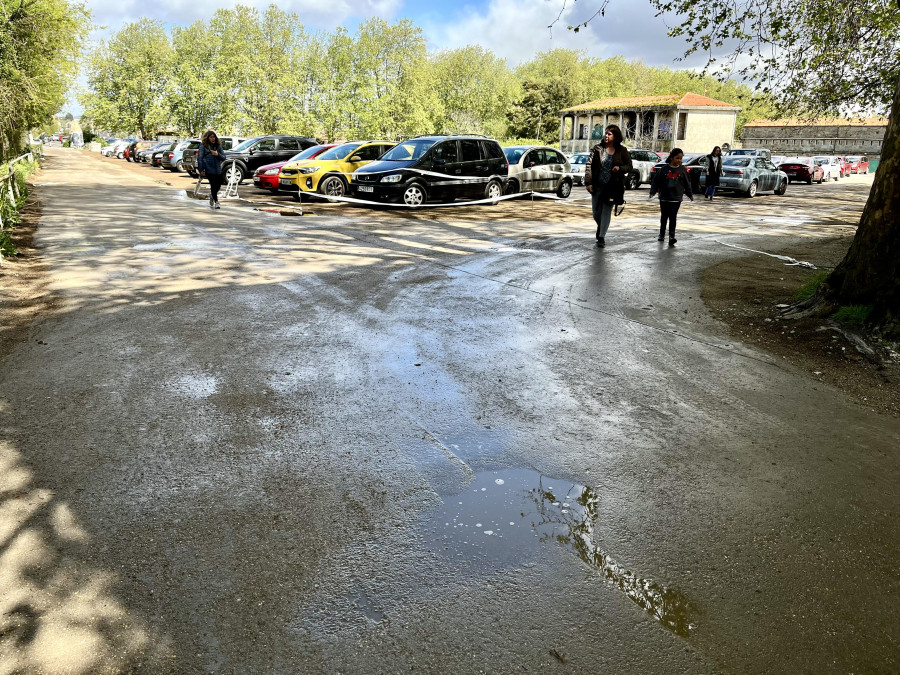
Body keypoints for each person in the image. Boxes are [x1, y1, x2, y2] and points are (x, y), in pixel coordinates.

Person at [584, 124, 632, 248]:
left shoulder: (622, 151)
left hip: (612, 187)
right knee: (595, 212)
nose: (606, 136)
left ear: (615, 137)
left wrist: (620, 168)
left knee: (606, 211)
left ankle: (601, 237)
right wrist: (588, 183)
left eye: (609, 134)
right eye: (605, 133)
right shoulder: (597, 149)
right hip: (597, 185)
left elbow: (629, 166)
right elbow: (589, 165)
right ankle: (601, 227)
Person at [649, 147, 693, 246]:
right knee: (664, 216)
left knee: (673, 217)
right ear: (672, 157)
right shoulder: (664, 169)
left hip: (676, 198)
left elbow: (687, 183)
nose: (679, 160)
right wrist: (653, 191)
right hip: (664, 197)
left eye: (681, 159)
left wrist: (690, 194)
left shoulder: (682, 169)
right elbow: (656, 181)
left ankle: (672, 236)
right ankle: (662, 234)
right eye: (677, 158)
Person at [198, 130, 227, 209]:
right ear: (207, 138)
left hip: (217, 169)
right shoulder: (203, 146)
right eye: (211, 137)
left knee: (218, 185)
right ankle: (217, 202)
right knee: (213, 185)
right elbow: (200, 158)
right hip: (208, 168)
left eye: (214, 137)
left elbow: (224, 157)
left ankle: (212, 195)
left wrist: (217, 154)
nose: (213, 139)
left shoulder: (218, 146)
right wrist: (201, 170)